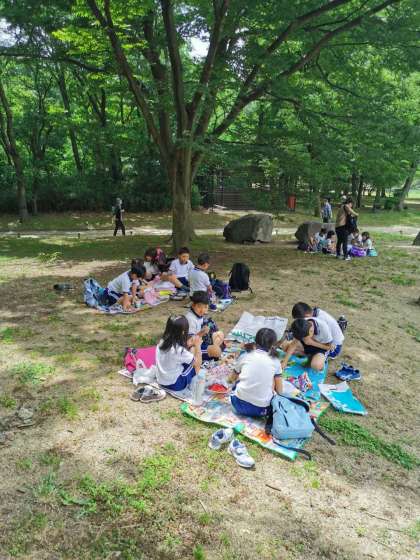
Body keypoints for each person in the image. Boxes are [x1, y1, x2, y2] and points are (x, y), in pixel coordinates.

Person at [230, 328, 283, 417]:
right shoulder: (275, 361)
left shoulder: (245, 356)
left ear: (255, 341)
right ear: (273, 344)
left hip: (238, 405)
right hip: (262, 410)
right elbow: (279, 390)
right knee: (273, 380)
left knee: (239, 380)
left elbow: (231, 378)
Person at [156, 315, 203, 391]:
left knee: (190, 355)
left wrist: (189, 344)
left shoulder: (162, 341)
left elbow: (176, 353)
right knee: (195, 366)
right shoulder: (178, 350)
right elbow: (197, 363)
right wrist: (198, 346)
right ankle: (194, 384)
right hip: (175, 384)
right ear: (183, 332)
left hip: (161, 380)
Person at [185, 291, 224, 360]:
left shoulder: (198, 314)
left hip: (202, 341)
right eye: (199, 307)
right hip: (193, 347)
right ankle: (215, 352)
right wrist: (201, 333)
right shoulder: (190, 319)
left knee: (220, 334)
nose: (202, 310)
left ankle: (216, 350)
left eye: (205, 307)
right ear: (193, 305)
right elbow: (189, 343)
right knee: (216, 351)